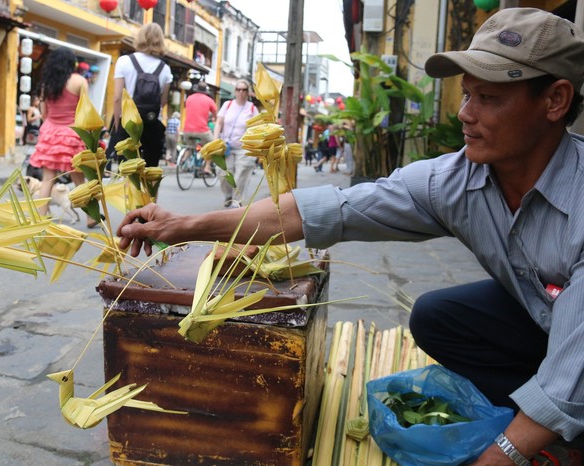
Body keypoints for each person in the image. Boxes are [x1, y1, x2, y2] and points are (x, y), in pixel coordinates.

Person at [117, 8, 584, 464]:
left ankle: (552, 432)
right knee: (437, 316)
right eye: (467, 95)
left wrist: (500, 454)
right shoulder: (458, 181)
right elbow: (327, 210)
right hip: (543, 318)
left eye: (490, 99)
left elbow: (572, 374)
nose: (465, 114)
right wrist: (181, 224)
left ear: (555, 101)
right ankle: (529, 416)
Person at [28, 47, 95, 228]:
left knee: (47, 179)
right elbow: (85, 112)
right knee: (79, 179)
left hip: (50, 133)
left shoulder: (45, 85)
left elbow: (44, 113)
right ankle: (90, 217)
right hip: (73, 133)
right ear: (70, 64)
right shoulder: (80, 81)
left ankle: (41, 218)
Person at [110, 23, 172, 168]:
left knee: (128, 173)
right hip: (152, 125)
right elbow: (163, 102)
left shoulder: (124, 61)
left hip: (128, 123)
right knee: (151, 175)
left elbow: (117, 98)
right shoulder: (165, 69)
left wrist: (118, 126)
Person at [213, 79, 259, 208]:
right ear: (235, 91)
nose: (241, 92)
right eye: (238, 89)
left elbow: (257, 128)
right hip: (226, 146)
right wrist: (216, 140)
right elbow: (219, 122)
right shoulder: (227, 105)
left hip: (244, 148)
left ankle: (236, 201)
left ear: (248, 92)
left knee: (241, 175)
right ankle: (228, 194)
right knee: (222, 173)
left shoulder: (252, 108)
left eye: (244, 90)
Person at [183, 81, 217, 174]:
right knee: (212, 146)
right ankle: (207, 167)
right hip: (202, 130)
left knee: (190, 146)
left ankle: (183, 160)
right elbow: (215, 114)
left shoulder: (189, 98)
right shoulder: (209, 100)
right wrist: (215, 120)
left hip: (187, 130)